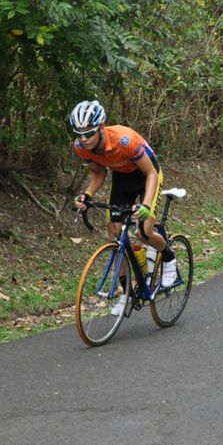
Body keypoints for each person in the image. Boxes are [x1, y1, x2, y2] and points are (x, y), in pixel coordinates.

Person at [70, 100, 178, 315]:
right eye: (79, 134)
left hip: (147, 175)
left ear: (101, 128)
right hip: (122, 180)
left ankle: (168, 258)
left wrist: (146, 205)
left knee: (143, 232)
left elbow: (151, 174)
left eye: (89, 133)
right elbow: (99, 173)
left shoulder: (125, 139)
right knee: (114, 236)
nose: (84, 139)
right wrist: (87, 194)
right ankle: (127, 292)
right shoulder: (81, 147)